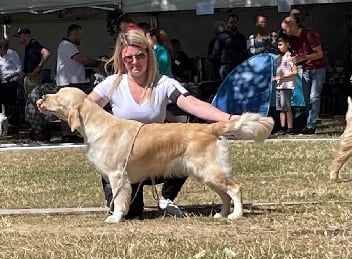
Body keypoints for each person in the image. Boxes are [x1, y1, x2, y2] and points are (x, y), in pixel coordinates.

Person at [85, 29, 239, 219]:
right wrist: (55, 106)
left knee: (183, 143)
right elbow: (85, 108)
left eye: (140, 56)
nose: (134, 62)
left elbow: (191, 103)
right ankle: (123, 203)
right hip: (126, 164)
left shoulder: (164, 83)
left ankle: (167, 198)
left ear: (149, 54)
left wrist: (227, 118)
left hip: (159, 159)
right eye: (128, 58)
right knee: (131, 214)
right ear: (121, 59)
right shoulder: (111, 84)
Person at [281, 16, 328, 134]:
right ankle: (308, 124)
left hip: (318, 68)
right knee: (307, 99)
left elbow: (319, 54)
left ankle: (311, 125)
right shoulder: (291, 39)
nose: (284, 32)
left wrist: (302, 57)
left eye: (285, 29)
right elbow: (283, 42)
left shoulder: (310, 35)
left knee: (314, 97)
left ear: (292, 26)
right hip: (306, 69)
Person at [56, 24, 101, 142]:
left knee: (72, 109)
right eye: (80, 35)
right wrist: (96, 63)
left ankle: (70, 133)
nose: (80, 38)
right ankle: (67, 134)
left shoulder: (67, 45)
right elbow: (81, 59)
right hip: (69, 83)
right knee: (69, 109)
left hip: (71, 81)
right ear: (74, 34)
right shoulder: (67, 45)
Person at [0, 38, 22, 134]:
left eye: (0, 48)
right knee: (3, 104)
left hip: (10, 82)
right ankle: (3, 125)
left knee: (12, 105)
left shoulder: (13, 54)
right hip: (1, 82)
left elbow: (18, 69)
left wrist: (9, 77)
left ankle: (14, 126)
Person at [14, 27, 50, 97]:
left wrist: (39, 66)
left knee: (34, 97)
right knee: (28, 96)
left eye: (20, 36)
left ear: (25, 36)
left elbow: (46, 53)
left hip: (33, 77)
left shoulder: (33, 43)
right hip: (28, 76)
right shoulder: (27, 46)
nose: (19, 39)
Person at [272, 36, 297, 135]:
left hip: (286, 86)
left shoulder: (290, 56)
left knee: (286, 107)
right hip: (279, 86)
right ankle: (282, 127)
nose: (279, 47)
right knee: (280, 108)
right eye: (278, 45)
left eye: (281, 45)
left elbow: (294, 72)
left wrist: (280, 77)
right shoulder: (279, 58)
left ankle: (290, 128)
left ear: (288, 45)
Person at [211, 14, 248, 82]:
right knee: (226, 87)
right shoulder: (222, 36)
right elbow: (215, 53)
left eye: (235, 22)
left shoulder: (241, 37)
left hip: (238, 66)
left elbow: (245, 52)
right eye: (231, 22)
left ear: (237, 23)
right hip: (226, 66)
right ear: (228, 23)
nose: (233, 24)